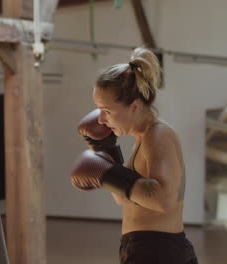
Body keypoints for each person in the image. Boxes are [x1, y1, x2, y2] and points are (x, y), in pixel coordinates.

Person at [70, 47, 199, 264]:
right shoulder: (143, 138)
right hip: (146, 247)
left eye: (107, 111)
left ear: (134, 106)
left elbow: (164, 199)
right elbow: (125, 197)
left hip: (158, 250)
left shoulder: (158, 135)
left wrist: (108, 173)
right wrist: (106, 151)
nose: (100, 119)